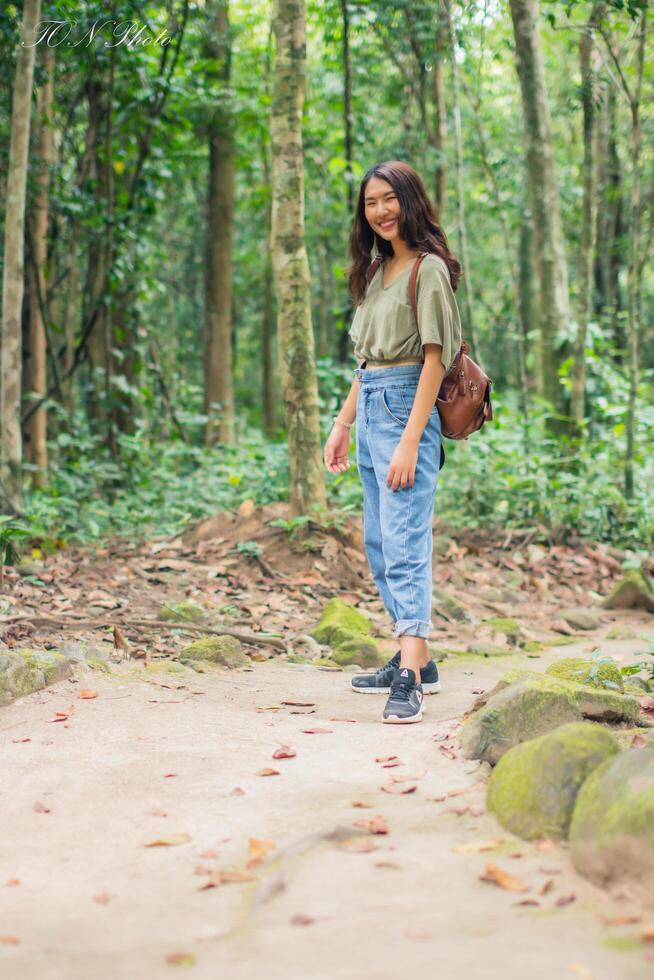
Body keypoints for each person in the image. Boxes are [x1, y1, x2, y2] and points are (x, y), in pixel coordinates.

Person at [323, 160, 463, 725]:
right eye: (370, 202)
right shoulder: (376, 272)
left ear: (409, 201)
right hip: (372, 405)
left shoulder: (426, 270)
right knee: (381, 541)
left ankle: (409, 678)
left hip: (408, 409)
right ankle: (418, 659)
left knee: (405, 542)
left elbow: (435, 359)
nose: (379, 211)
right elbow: (366, 364)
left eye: (389, 199)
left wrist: (409, 440)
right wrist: (341, 424)